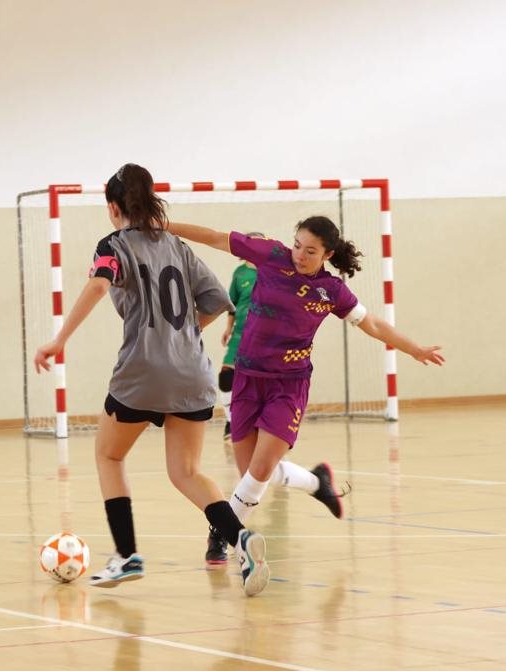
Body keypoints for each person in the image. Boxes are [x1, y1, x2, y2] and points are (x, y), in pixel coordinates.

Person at [34, 163, 270, 596]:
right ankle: (240, 538)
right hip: (193, 371)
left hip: (143, 371)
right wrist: (183, 333)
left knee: (108, 456)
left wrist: (58, 340)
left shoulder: (113, 244)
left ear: (112, 207)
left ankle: (126, 556)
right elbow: (218, 299)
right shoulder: (177, 245)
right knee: (186, 472)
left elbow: (99, 285)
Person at [166, 217, 445, 564]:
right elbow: (215, 237)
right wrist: (164, 224)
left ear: (326, 254)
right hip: (248, 378)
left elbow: (372, 323)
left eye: (310, 251)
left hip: (288, 384)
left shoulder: (332, 291)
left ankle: (225, 535)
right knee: (251, 472)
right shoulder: (271, 255)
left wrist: (414, 349)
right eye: (297, 245)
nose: (300, 254)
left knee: (260, 470)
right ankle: (316, 482)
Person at [218, 233, 263, 441]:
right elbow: (232, 305)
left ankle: (260, 422)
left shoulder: (270, 270)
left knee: (259, 380)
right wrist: (228, 329)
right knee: (226, 377)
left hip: (264, 337)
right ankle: (231, 422)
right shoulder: (240, 273)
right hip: (240, 333)